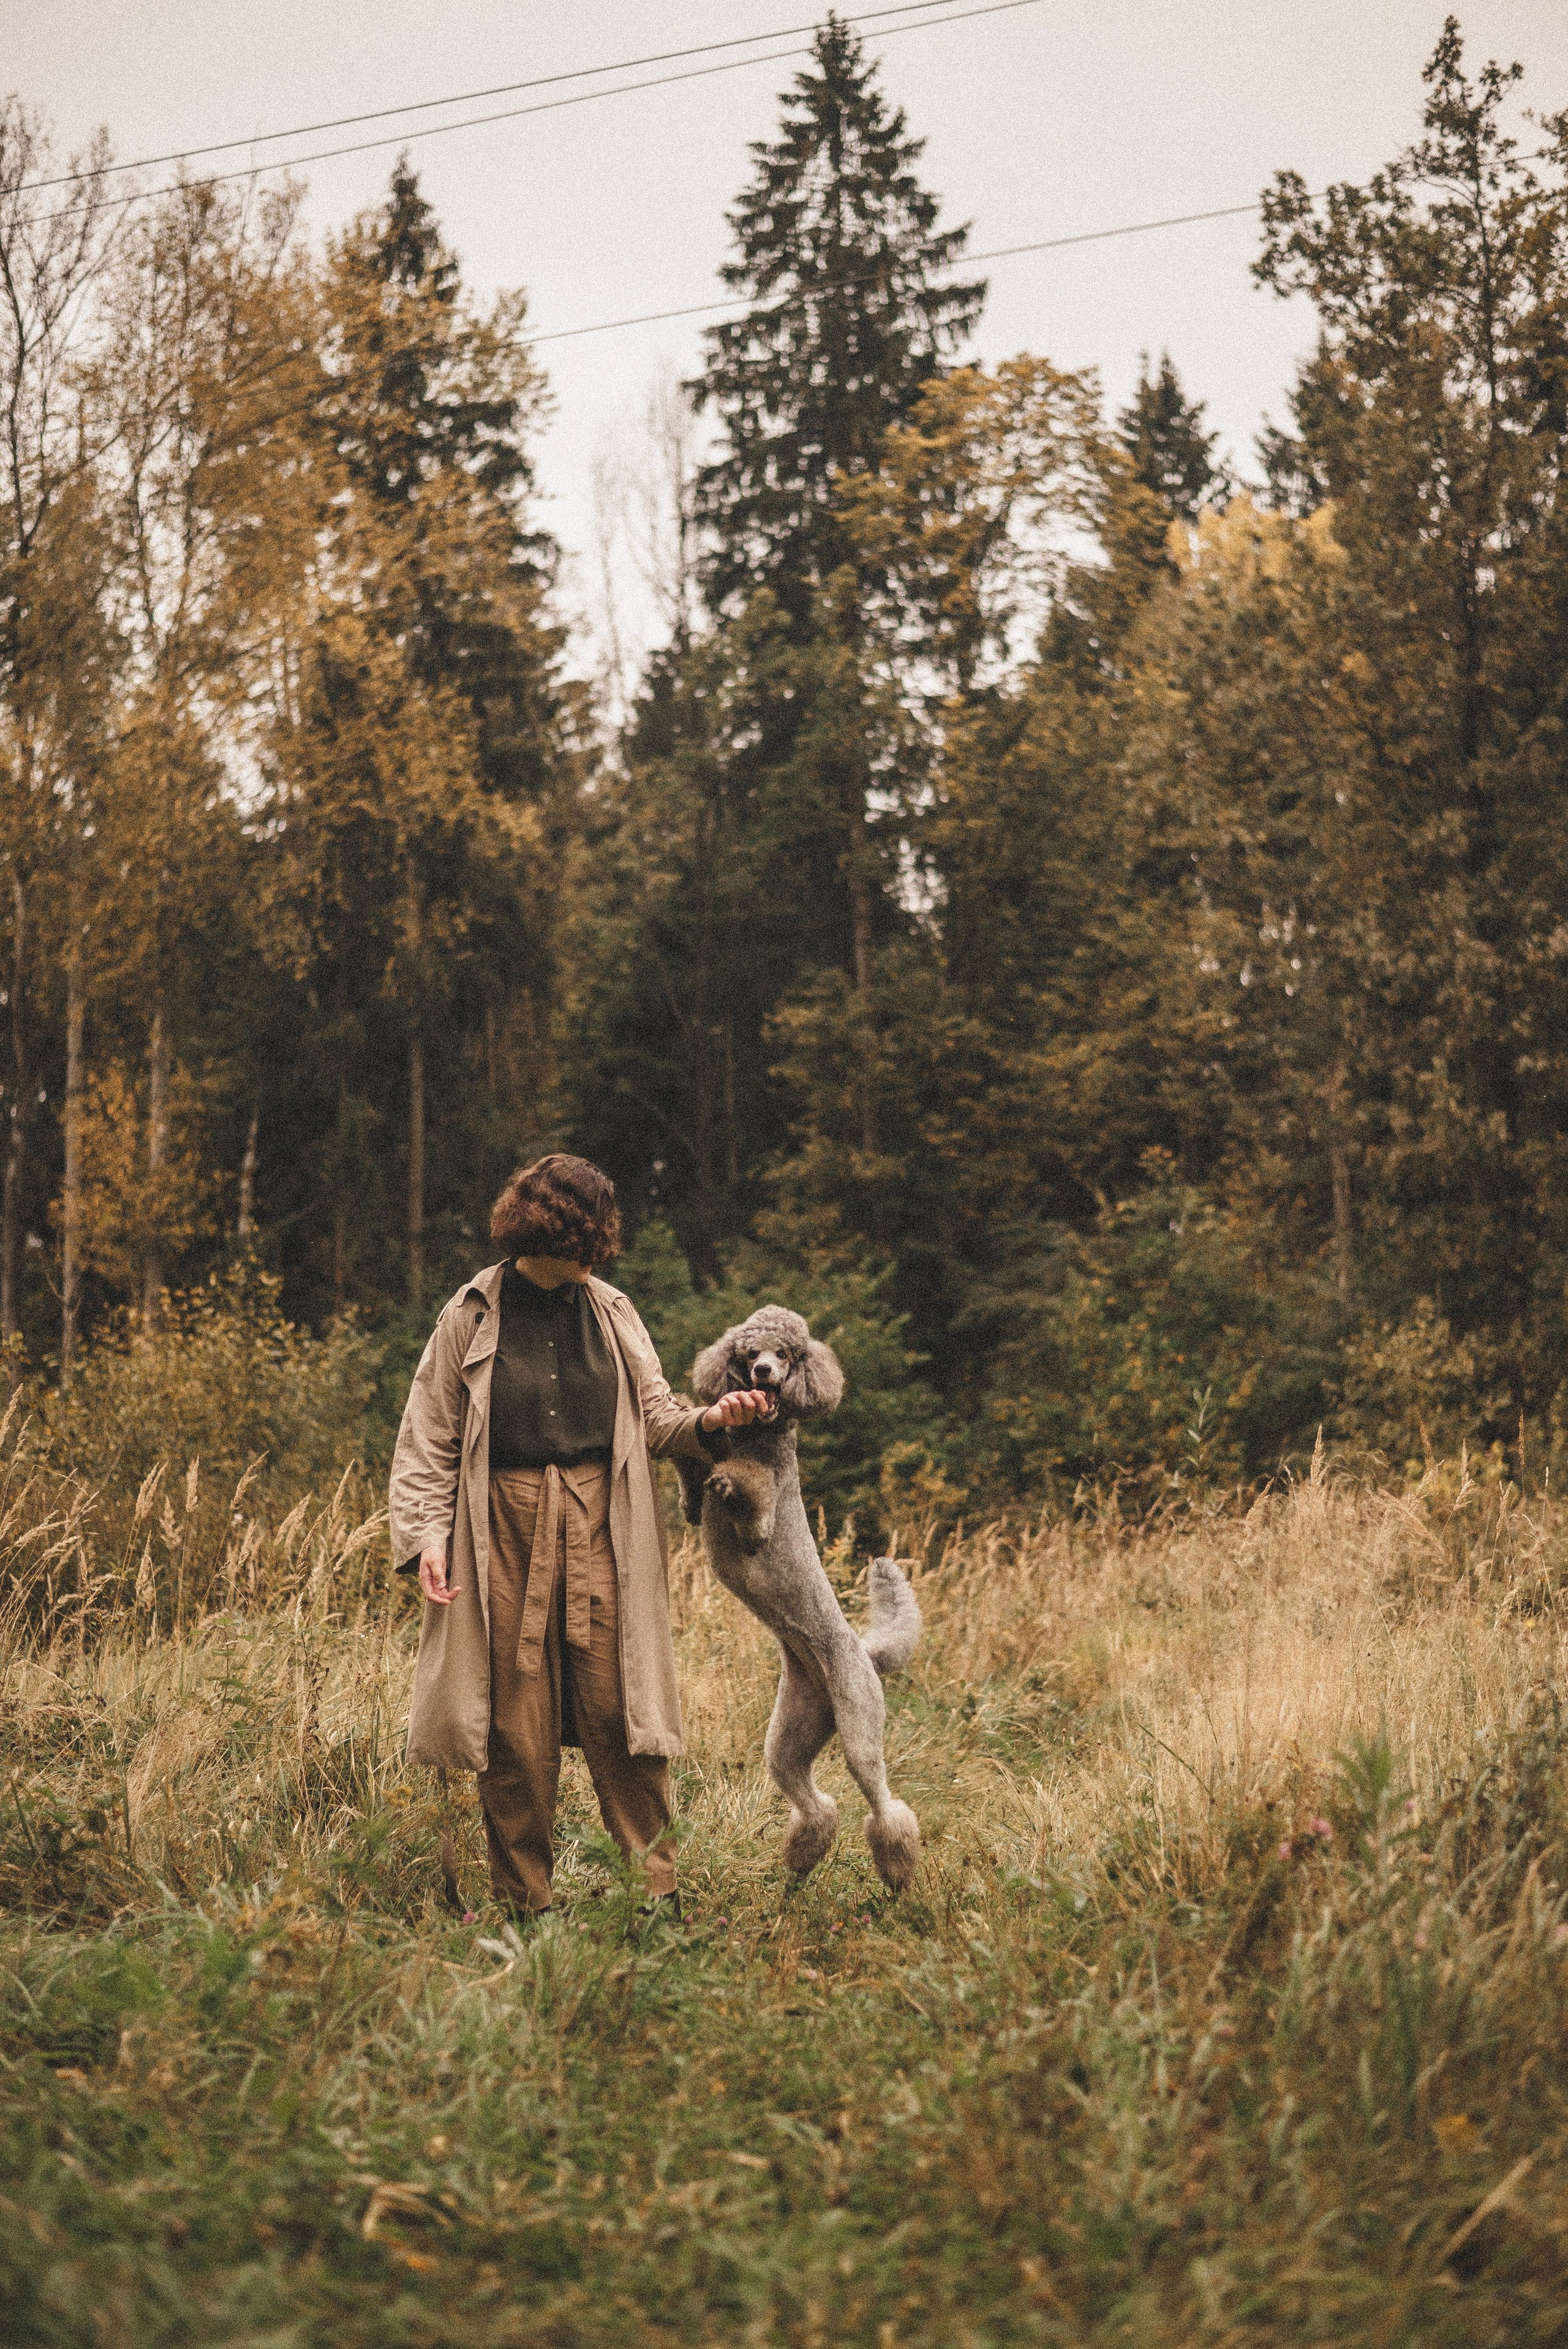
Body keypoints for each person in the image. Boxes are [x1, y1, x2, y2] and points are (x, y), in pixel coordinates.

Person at [389, 1153, 767, 1916]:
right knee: (513, 1729)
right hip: (501, 1528)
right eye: (585, 1242)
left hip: (604, 1521)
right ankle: (527, 1906)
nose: (597, 1256)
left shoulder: (613, 1310)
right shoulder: (470, 1313)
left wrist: (711, 1421)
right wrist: (428, 1536)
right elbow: (428, 1437)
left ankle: (654, 1898)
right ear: (546, 1234)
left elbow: (658, 1418)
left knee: (624, 1713)